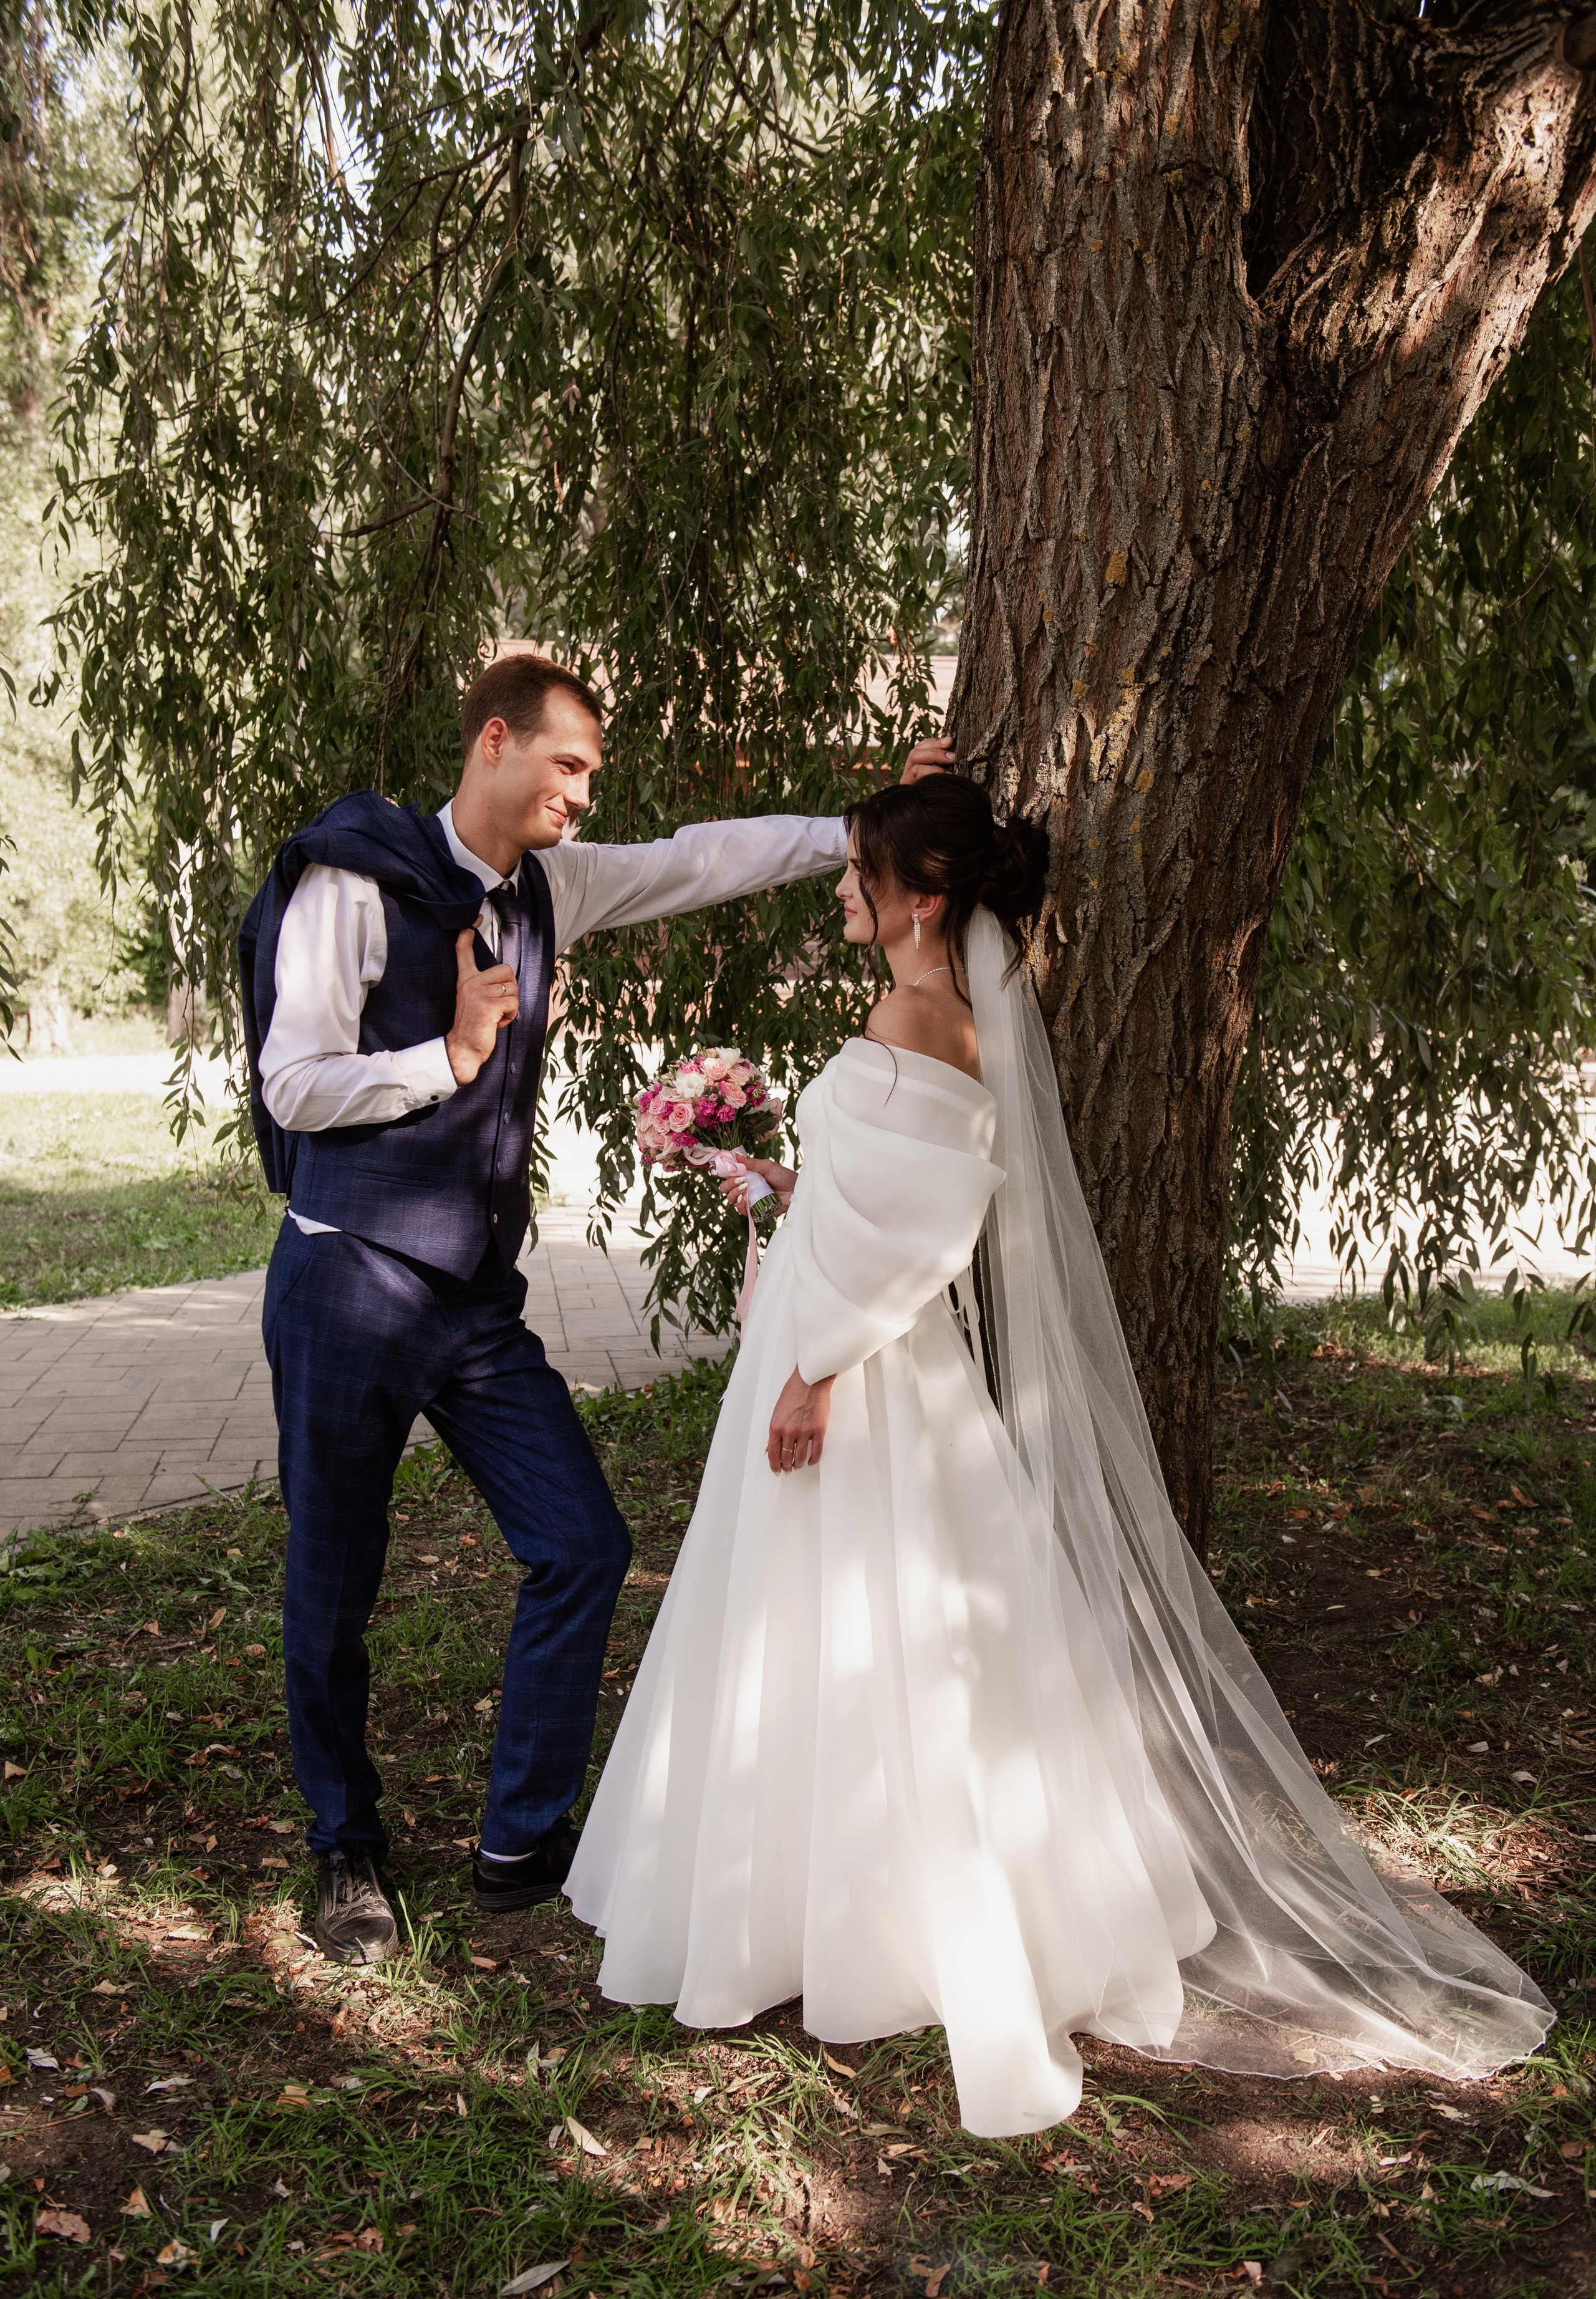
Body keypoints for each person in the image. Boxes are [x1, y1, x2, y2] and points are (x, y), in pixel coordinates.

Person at [565, 771, 1553, 2138]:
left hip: (851, 1367)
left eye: (859, 870)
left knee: (852, 1612)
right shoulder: (931, 1015)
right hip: (845, 1341)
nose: (840, 888)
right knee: (844, 1619)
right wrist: (778, 1182)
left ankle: (836, 1917)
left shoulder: (912, 1016)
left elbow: (922, 1237)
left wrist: (810, 1370)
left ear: (922, 898)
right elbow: (876, 1205)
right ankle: (818, 1902)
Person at [238, 650, 950, 1964]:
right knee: (334, 1578)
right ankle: (343, 1844)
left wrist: (860, 831)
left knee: (581, 1543)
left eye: (589, 775)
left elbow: (698, 860)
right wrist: (445, 1057)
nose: (581, 794)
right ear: (493, 741)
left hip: (473, 1300)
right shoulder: (352, 881)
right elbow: (293, 1082)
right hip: (346, 1275)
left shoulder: (552, 885)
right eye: (566, 765)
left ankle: (520, 1840)